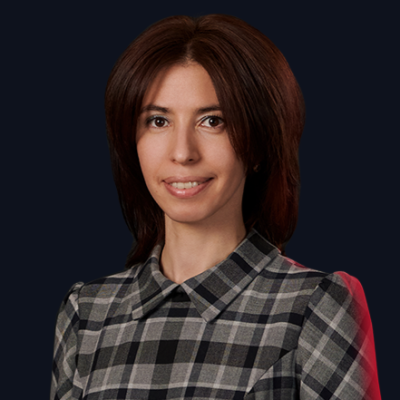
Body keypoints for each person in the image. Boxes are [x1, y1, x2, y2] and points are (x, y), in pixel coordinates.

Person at [51, 14, 381, 400]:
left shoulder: (315, 305)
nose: (182, 153)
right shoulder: (87, 313)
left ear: (258, 143)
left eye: (212, 121)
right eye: (158, 121)